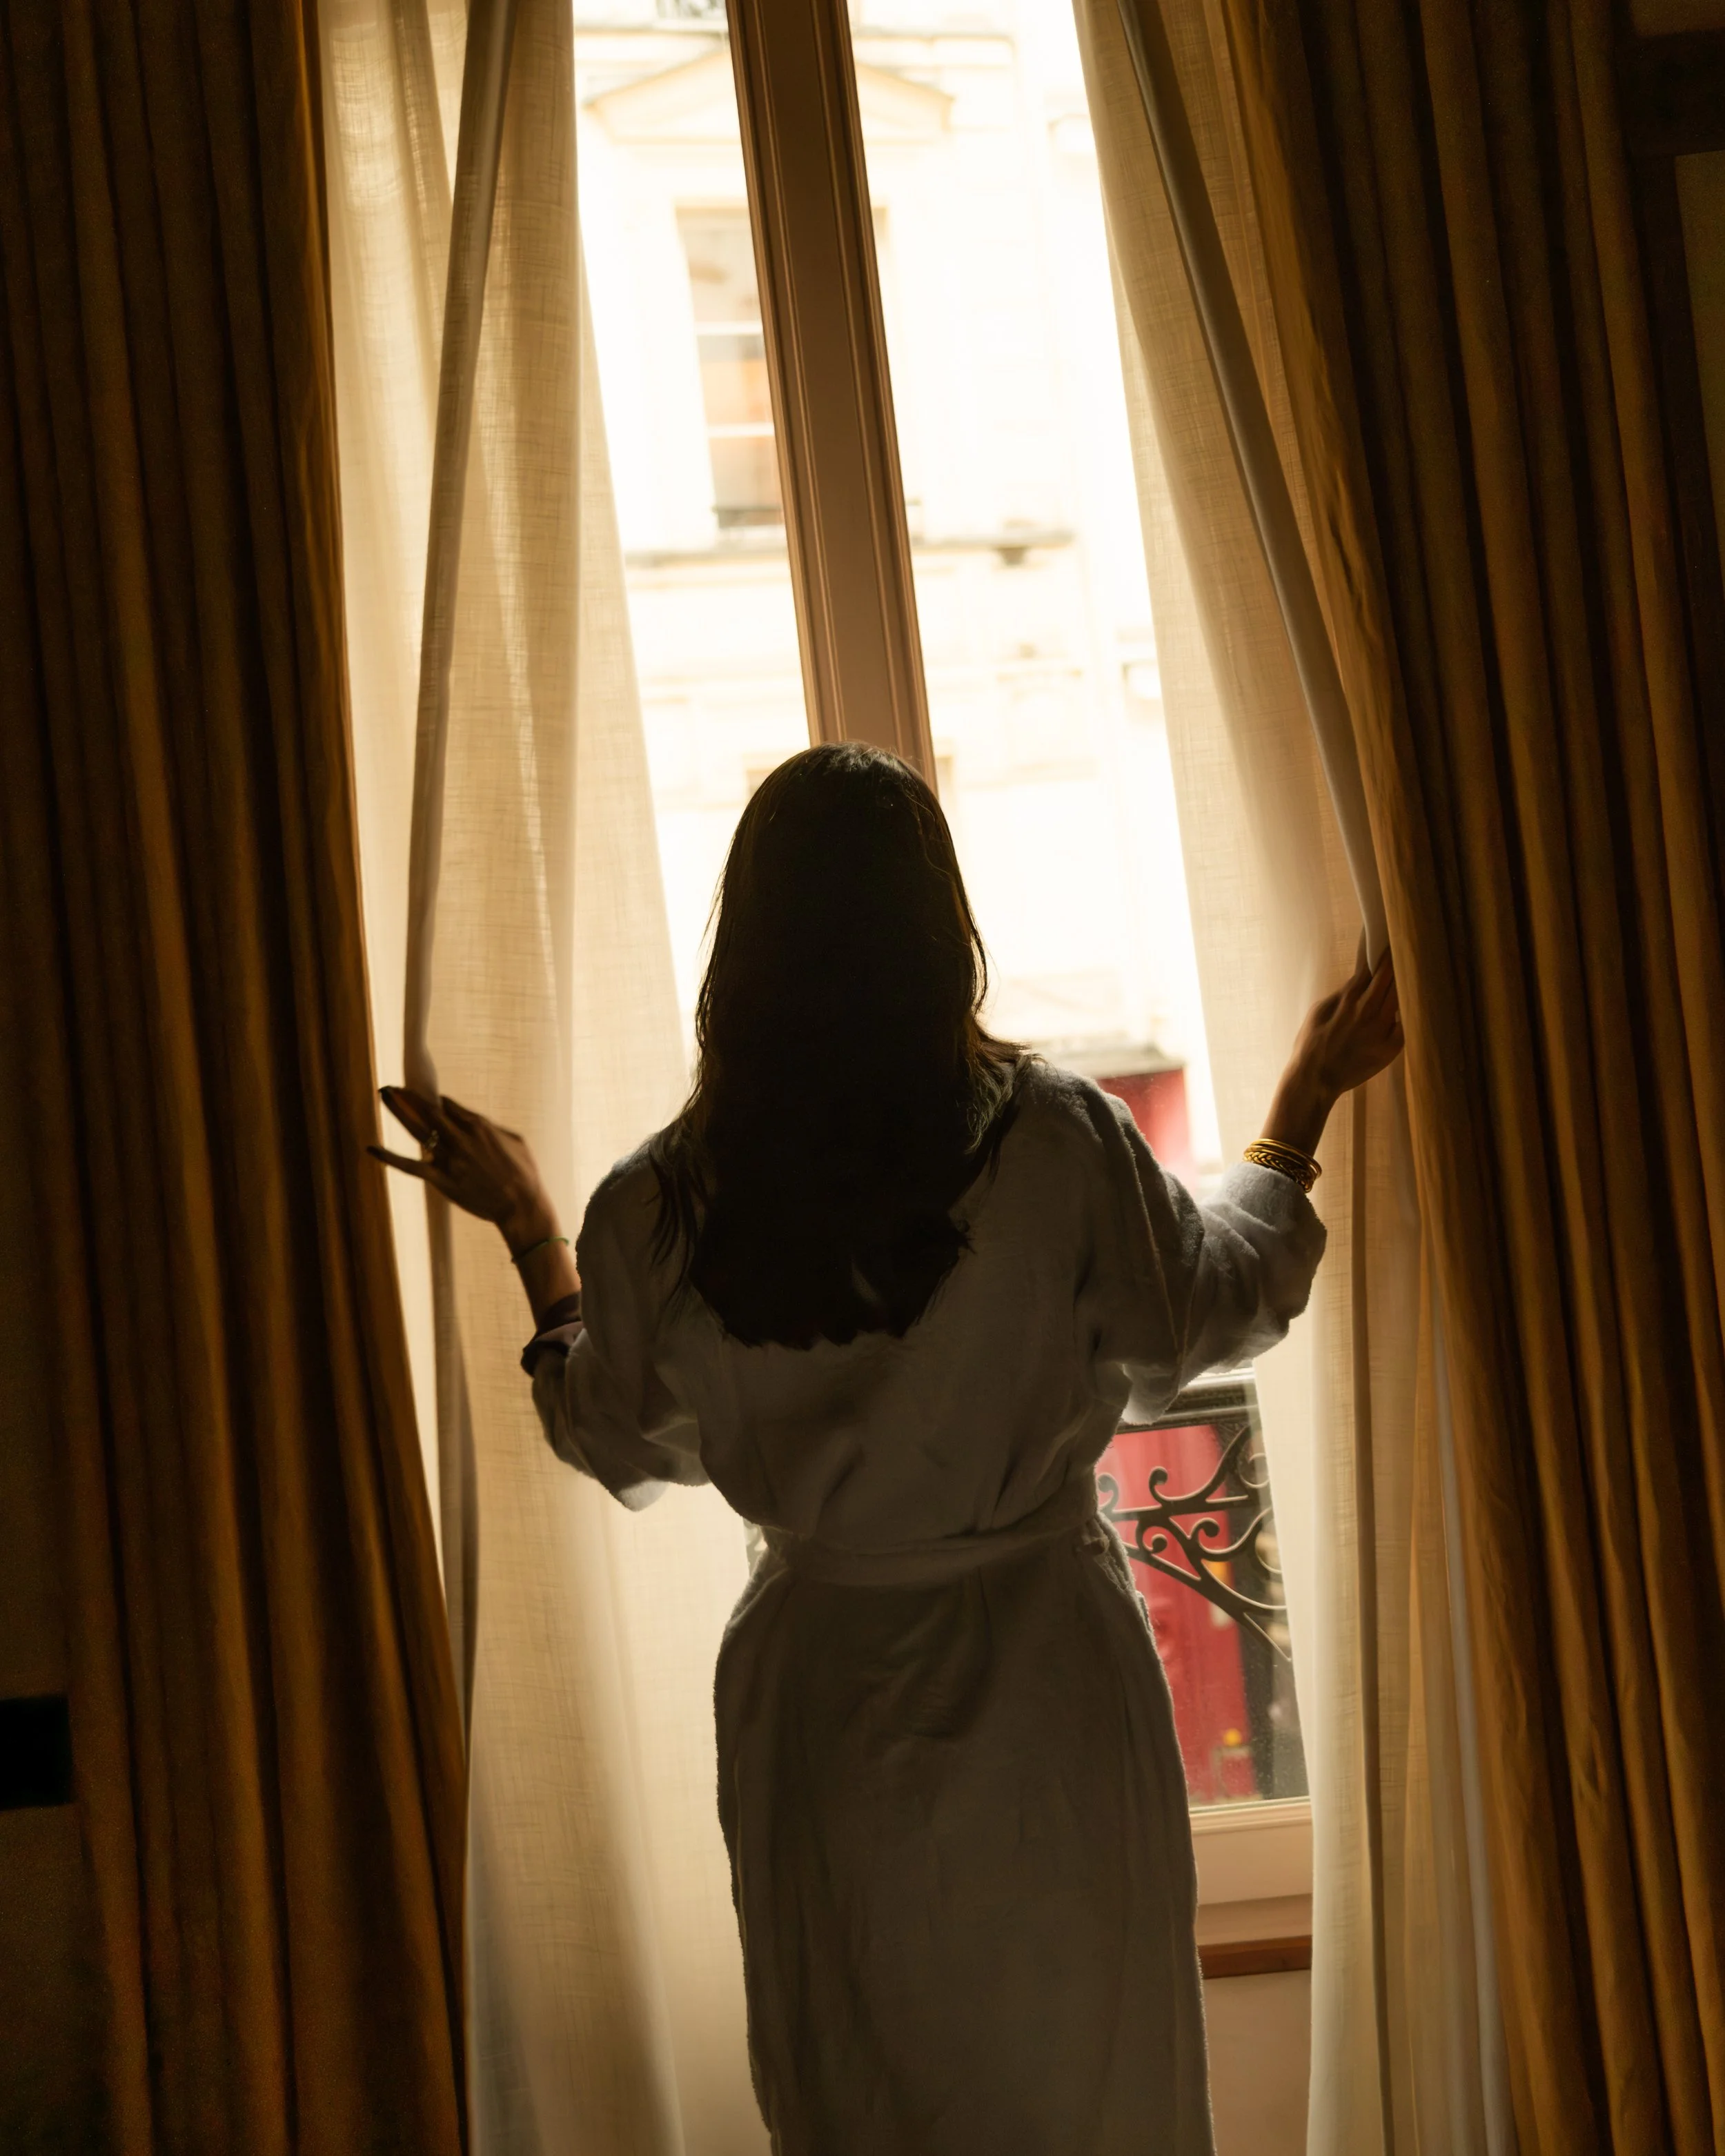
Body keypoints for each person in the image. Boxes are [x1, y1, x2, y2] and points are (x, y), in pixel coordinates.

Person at [373, 742, 1401, 2155]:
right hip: (1043, 1671)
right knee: (1091, 2063)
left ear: (743, 949)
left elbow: (612, 1430)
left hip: (822, 1711)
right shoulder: (1055, 1142)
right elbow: (1201, 1310)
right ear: (942, 933)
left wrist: (528, 1227)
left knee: (856, 2074)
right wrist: (1297, 1106)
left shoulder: (656, 1203)